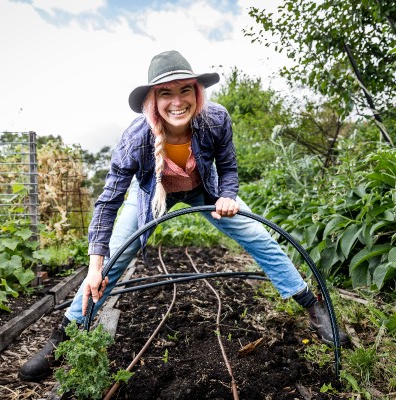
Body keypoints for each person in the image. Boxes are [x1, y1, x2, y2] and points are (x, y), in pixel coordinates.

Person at [19, 50, 349, 382]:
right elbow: (107, 203)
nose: (177, 101)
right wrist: (94, 267)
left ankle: (311, 305)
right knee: (111, 262)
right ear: (152, 99)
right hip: (151, 196)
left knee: (257, 235)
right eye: (166, 92)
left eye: (184, 90)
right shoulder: (137, 139)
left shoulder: (216, 119)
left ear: (197, 92)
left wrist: (228, 196)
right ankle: (60, 340)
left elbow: (229, 167)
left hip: (204, 189)